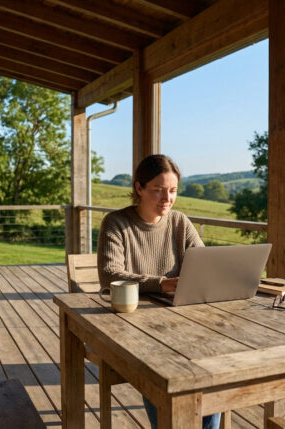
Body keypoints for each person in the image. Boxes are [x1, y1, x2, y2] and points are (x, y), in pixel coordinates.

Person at [97, 154, 221, 429]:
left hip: (181, 320)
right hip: (134, 324)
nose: (167, 198)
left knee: (213, 361)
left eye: (173, 191)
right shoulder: (116, 223)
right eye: (158, 190)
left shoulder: (179, 222)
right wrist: (160, 283)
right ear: (139, 188)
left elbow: (204, 264)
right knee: (164, 365)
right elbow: (109, 274)